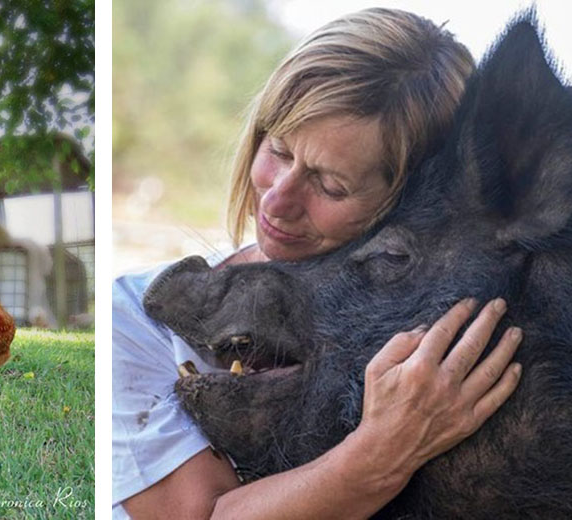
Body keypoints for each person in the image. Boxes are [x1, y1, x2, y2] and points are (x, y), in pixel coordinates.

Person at [112, 8, 524, 519]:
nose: (276, 201)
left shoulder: (455, 334)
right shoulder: (132, 318)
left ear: (409, 202)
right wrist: (386, 450)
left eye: (332, 185)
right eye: (279, 150)